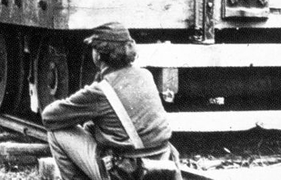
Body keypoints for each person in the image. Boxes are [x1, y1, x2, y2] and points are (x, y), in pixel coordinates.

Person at [41, 22, 179, 180]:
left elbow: (49, 117)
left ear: (98, 55)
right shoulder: (145, 75)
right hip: (161, 165)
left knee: (57, 133)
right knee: (91, 126)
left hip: (128, 173)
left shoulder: (100, 91)